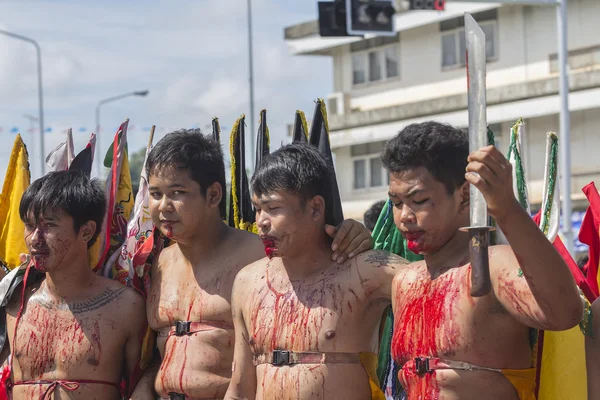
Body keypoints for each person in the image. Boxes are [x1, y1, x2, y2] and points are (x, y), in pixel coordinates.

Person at [132, 131, 374, 399]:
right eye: (155, 194)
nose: (164, 206)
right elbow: (162, 351)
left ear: (213, 195)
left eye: (177, 193)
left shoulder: (264, 255)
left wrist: (353, 234)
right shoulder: (156, 263)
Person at [383, 122, 583, 400]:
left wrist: (506, 208)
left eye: (419, 200)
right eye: (396, 202)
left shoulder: (492, 266)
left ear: (464, 195)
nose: (404, 216)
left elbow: (565, 313)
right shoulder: (404, 281)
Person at [225, 143, 408, 400]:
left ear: (315, 208)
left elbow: (442, 287)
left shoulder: (365, 271)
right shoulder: (247, 282)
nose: (262, 222)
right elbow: (240, 388)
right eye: (257, 208)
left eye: (274, 208)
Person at [0, 170, 146, 399]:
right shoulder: (14, 301)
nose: (35, 239)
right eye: (29, 226)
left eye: (49, 225)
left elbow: (144, 382)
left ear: (86, 231)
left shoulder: (126, 307)